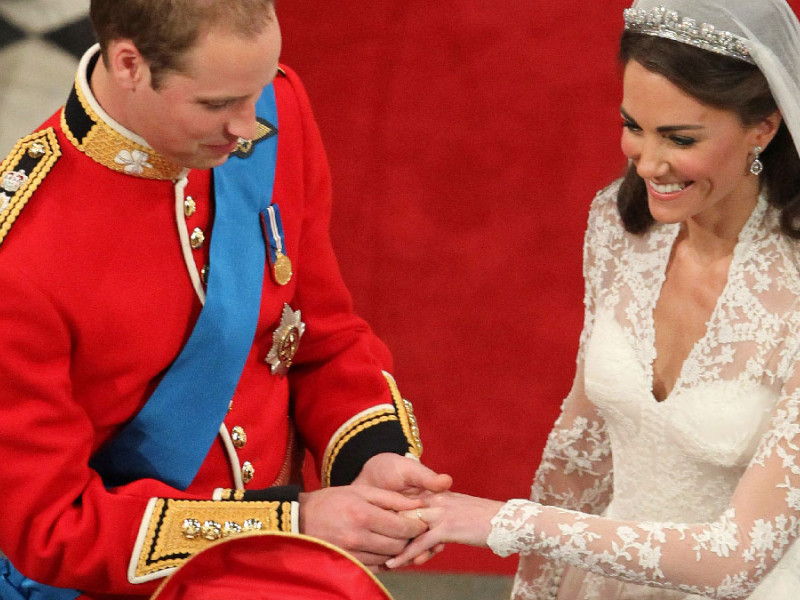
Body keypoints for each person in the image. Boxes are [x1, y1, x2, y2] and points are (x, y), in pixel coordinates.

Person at [0, 1, 452, 599]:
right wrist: (289, 521)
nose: (248, 128)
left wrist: (371, 457)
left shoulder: (273, 107)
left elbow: (321, 335)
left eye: (257, 89)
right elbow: (53, 527)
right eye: (216, 105)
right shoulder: (21, 256)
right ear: (130, 63)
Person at [388, 0, 800, 598]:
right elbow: (582, 447)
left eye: (680, 138)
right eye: (634, 126)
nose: (649, 163)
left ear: (762, 127)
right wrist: (541, 589)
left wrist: (501, 522)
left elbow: (734, 559)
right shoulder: (617, 224)